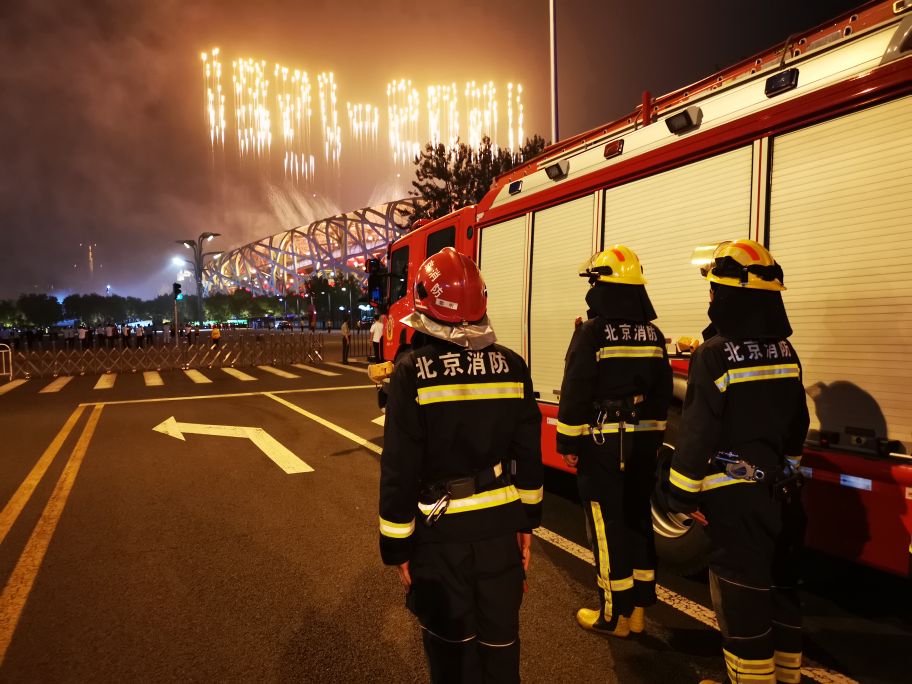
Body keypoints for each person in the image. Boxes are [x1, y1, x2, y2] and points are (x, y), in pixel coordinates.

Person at [379, 247, 543, 683]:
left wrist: (398, 546)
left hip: (441, 535)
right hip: (499, 531)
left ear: (423, 301)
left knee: (454, 657)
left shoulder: (411, 372)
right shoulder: (512, 366)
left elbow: (399, 467)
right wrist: (526, 522)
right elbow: (528, 456)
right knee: (502, 650)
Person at [659, 239, 809, 684]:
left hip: (734, 503)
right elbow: (797, 423)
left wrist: (678, 498)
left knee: (741, 603)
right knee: (781, 593)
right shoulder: (787, 353)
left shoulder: (713, 355)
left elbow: (697, 434)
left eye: (713, 290)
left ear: (728, 297)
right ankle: (787, 677)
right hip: (782, 494)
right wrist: (789, 471)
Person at [556, 245, 672, 637]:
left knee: (606, 526)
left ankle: (611, 614)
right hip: (641, 442)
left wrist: (568, 442)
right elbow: (661, 393)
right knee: (638, 519)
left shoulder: (592, 332)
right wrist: (654, 439)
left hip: (603, 442)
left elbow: (576, 389)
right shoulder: (653, 333)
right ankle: (638, 611)